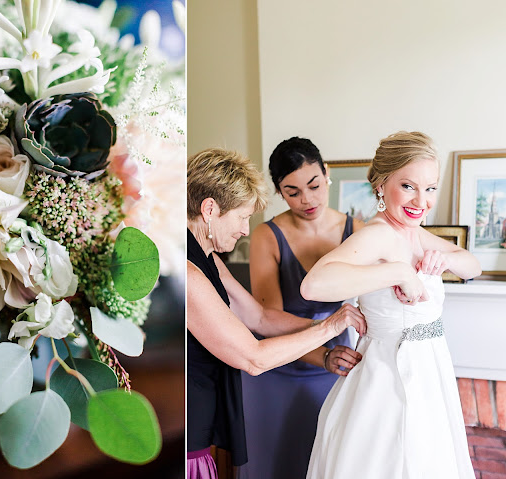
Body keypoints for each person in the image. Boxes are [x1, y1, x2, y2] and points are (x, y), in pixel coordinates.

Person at [301, 131, 481, 479]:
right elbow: (314, 285)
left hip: (429, 375)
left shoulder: (413, 233)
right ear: (382, 185)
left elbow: (471, 265)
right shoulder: (379, 234)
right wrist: (397, 272)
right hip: (390, 379)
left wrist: (443, 260)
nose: (422, 200)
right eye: (409, 186)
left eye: (430, 188)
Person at [186, 147, 367, 479]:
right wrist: (329, 328)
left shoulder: (207, 257)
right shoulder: (188, 272)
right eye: (242, 216)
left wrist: (328, 341)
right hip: (189, 425)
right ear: (210, 209)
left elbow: (260, 318)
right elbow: (253, 357)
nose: (244, 229)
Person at [238, 137, 365, 479]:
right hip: (278, 364)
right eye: (292, 191)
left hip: (337, 364)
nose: (307, 199)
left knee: (329, 461)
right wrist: (322, 352)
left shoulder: (358, 231)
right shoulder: (267, 235)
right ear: (279, 192)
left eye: (314, 185)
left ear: (327, 174)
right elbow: (267, 317)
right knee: (275, 464)